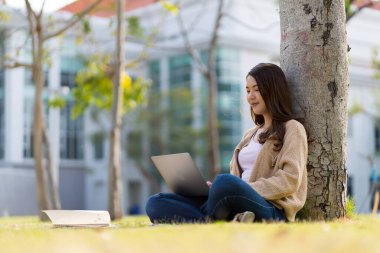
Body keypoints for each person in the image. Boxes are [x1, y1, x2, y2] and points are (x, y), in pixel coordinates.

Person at [145, 63, 308, 223]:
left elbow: (290, 180)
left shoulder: (292, 128)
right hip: (235, 203)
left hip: (270, 208)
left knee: (224, 182)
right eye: (248, 90)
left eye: (256, 90)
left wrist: (241, 189)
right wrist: (214, 190)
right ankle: (223, 220)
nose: (250, 96)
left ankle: (204, 219)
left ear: (273, 90)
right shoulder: (249, 135)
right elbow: (234, 181)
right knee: (156, 202)